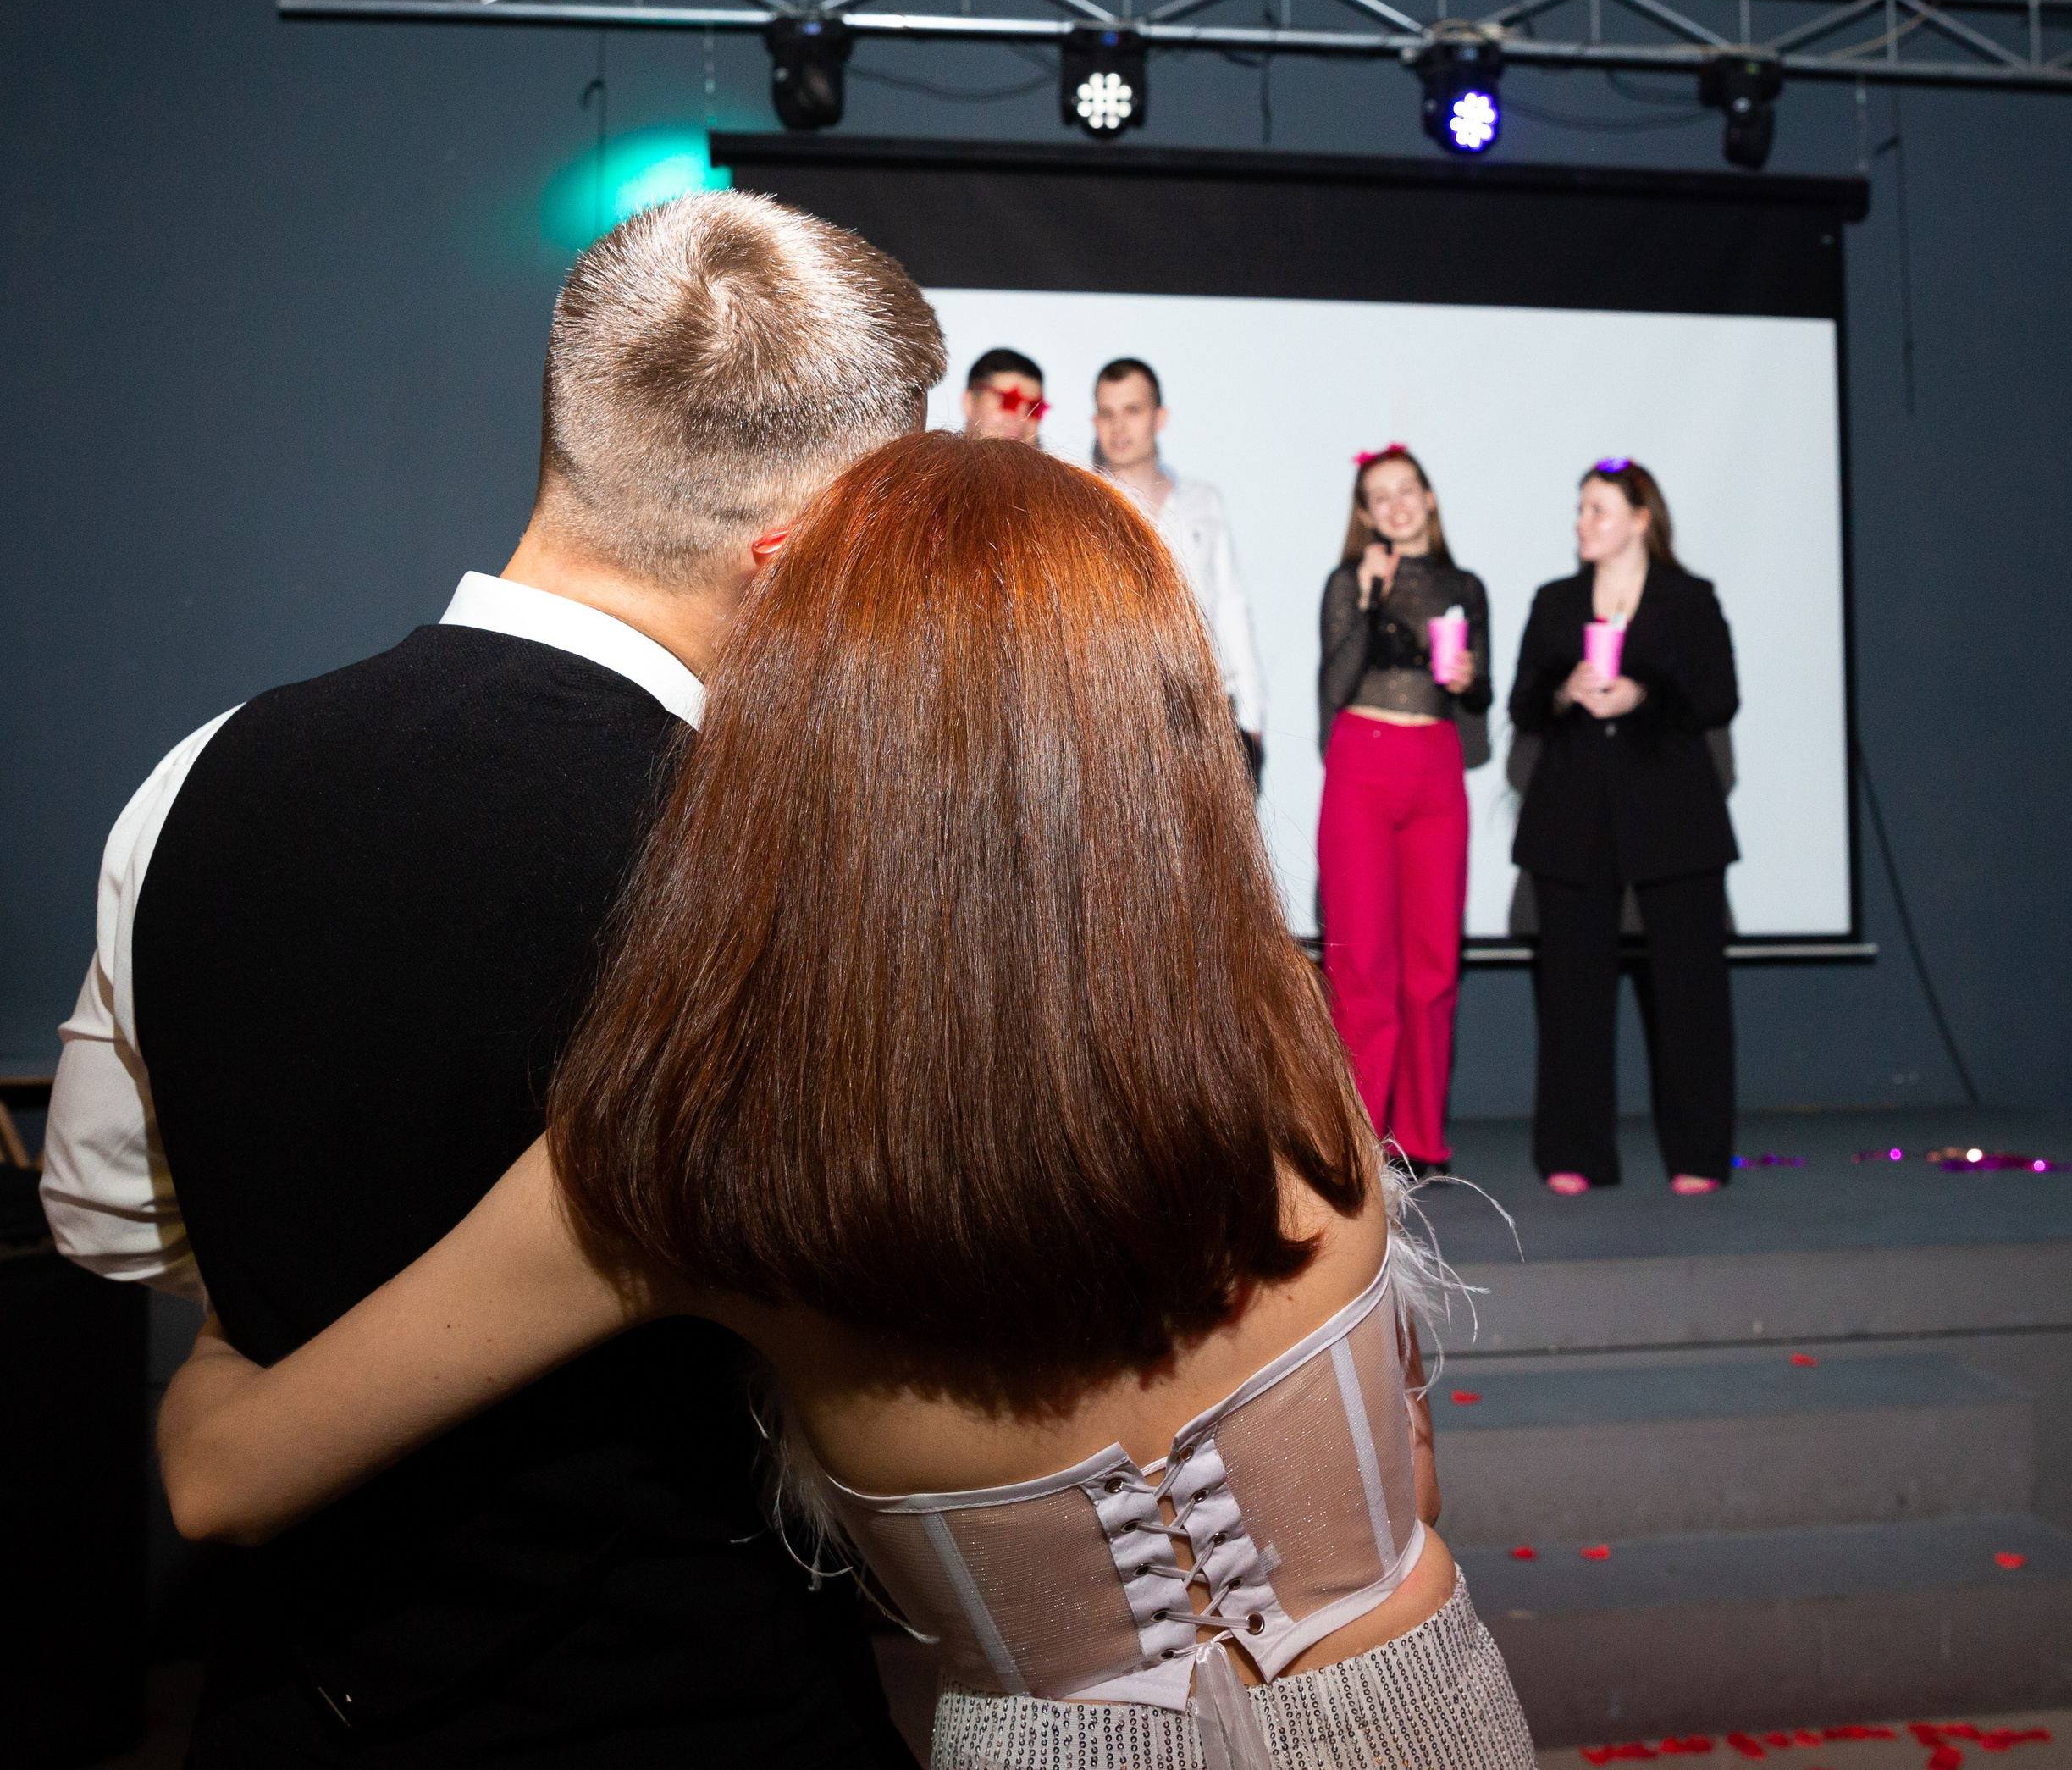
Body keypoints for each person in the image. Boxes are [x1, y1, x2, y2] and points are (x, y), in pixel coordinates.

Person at [155, 434, 1539, 1770]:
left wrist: (227, 1288)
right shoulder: (1277, 1043)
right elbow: (1406, 1491)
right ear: (1156, 714)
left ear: (807, 740)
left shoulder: (689, 1155)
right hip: (1429, 1722)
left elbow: (220, 1480)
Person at [39, 189, 945, 1766]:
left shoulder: (196, 777)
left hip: (289, 1710)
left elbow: (112, 1226)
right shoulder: (793, 876)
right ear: (795, 546)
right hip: (694, 1714)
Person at [1506, 457, 1740, 1198]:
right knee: (1573, 992)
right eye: (1580, 509)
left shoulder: (1689, 599)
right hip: (1572, 816)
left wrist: (1643, 692)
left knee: (1689, 990)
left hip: (1674, 816)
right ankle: (1575, 1151)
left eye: (1598, 509)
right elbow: (1521, 703)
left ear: (1642, 518)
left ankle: (1698, 1152)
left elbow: (1719, 696)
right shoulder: (1555, 601)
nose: (1583, 522)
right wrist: (1564, 691)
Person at [1317, 447, 1491, 1175]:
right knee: (1364, 967)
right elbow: (1333, 686)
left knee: (1432, 967)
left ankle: (1421, 1141)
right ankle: (1362, 1139)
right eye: (1378, 496)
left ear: (1428, 497)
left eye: (1405, 490)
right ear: (1364, 515)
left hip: (1437, 769)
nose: (1395, 505)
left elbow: (1478, 697)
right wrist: (1365, 597)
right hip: (1361, 764)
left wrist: (1470, 674)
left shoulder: (1464, 585)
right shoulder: (1348, 581)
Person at [1091, 356, 1267, 786]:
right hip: (1118, 716)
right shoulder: (1082, 504)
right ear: (1095, 421)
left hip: (1206, 711)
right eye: (1108, 413)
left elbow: (1230, 606)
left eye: (1132, 410)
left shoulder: (1203, 501)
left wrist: (1253, 716)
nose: (1119, 427)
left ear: (1159, 417)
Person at [959, 345, 1047, 444]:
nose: (1021, 418)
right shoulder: (939, 458)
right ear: (969, 402)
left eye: (1033, 409)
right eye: (1010, 401)